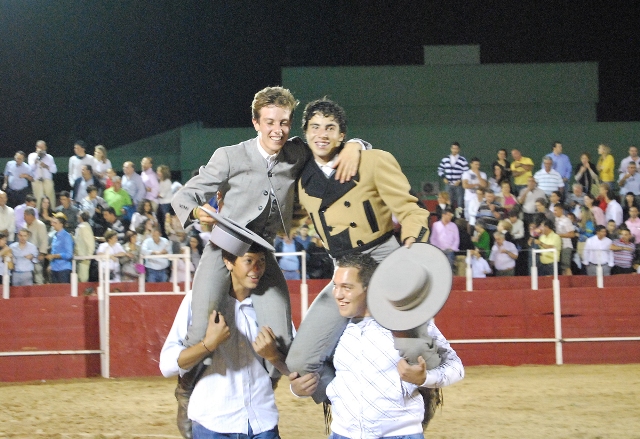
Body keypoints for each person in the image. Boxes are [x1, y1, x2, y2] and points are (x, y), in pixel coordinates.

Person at [170, 88, 364, 378]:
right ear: (256, 123)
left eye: (284, 122)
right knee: (200, 329)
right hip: (223, 250)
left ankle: (274, 384)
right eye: (270, 122)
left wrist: (354, 146)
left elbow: (328, 144)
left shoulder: (297, 152)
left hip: (262, 255)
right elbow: (184, 198)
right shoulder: (229, 156)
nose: (278, 130)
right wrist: (201, 213)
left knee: (282, 337)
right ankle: (188, 391)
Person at [289, 98, 439, 404]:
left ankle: (418, 408)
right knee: (300, 363)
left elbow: (413, 212)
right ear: (305, 133)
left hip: (385, 261)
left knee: (420, 354)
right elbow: (282, 223)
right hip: (342, 271)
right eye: (315, 127)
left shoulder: (373, 160)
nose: (322, 134)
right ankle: (347, 405)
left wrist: (412, 249)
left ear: (342, 135)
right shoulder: (302, 180)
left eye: (330, 128)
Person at [291, 252, 463, 438]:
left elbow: (456, 368)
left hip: (400, 434)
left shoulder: (408, 321)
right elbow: (318, 373)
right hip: (343, 433)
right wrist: (298, 390)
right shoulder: (332, 329)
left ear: (369, 288)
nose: (338, 295)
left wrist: (424, 378)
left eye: (347, 288)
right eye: (335, 286)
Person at [160, 237, 290, 439]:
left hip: (262, 423)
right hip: (213, 424)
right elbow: (167, 365)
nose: (256, 269)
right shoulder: (197, 301)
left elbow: (293, 368)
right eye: (248, 261)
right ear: (229, 262)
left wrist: (273, 357)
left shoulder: (272, 308)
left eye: (261, 261)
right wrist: (207, 344)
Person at [437, 141, 468, 210]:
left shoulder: (463, 160)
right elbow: (440, 170)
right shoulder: (445, 159)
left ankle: (460, 217)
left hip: (458, 185)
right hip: (448, 184)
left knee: (460, 202)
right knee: (448, 202)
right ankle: (449, 215)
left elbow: (466, 172)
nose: (455, 150)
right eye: (453, 148)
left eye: (456, 149)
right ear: (451, 149)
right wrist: (444, 178)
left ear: (459, 150)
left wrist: (460, 180)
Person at [28, 140, 57, 210]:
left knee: (50, 198)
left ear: (45, 148)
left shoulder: (49, 157)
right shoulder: (32, 156)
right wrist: (37, 158)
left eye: (43, 147)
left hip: (47, 180)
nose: (41, 149)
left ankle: (51, 212)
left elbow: (54, 170)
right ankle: (38, 214)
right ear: (36, 147)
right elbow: (30, 169)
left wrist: (46, 166)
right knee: (38, 199)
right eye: (40, 147)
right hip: (36, 181)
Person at [46, 213, 74, 283]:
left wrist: (54, 256)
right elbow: (53, 251)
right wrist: (51, 265)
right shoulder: (55, 236)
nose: (52, 224)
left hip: (63, 269)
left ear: (61, 224)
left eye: (55, 223)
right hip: (54, 269)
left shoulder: (67, 236)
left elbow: (69, 255)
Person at [24, 207, 48, 284]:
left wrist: (42, 253)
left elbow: (44, 240)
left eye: (25, 216)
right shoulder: (25, 225)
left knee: (38, 274)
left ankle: (40, 291)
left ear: (31, 216)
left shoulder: (40, 225)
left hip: (37, 253)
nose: (24, 218)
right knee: (29, 275)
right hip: (27, 254)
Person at [553, 204, 576, 276]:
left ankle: (570, 283)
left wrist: (558, 235)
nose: (554, 212)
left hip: (566, 246)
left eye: (556, 210)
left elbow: (572, 234)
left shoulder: (566, 220)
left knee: (566, 266)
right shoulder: (554, 220)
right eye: (554, 210)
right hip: (557, 246)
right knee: (561, 267)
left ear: (561, 210)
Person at [75, 211, 95, 282]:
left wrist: (88, 256)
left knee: (83, 278)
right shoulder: (81, 227)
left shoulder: (84, 227)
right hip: (79, 257)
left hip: (84, 258)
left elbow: (90, 243)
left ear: (80, 217)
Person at [157, 164, 174, 237]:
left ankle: (167, 236)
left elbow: (162, 195)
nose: (157, 173)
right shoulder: (159, 181)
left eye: (159, 171)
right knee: (160, 220)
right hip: (160, 203)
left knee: (165, 221)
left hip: (166, 204)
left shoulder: (167, 182)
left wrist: (153, 194)